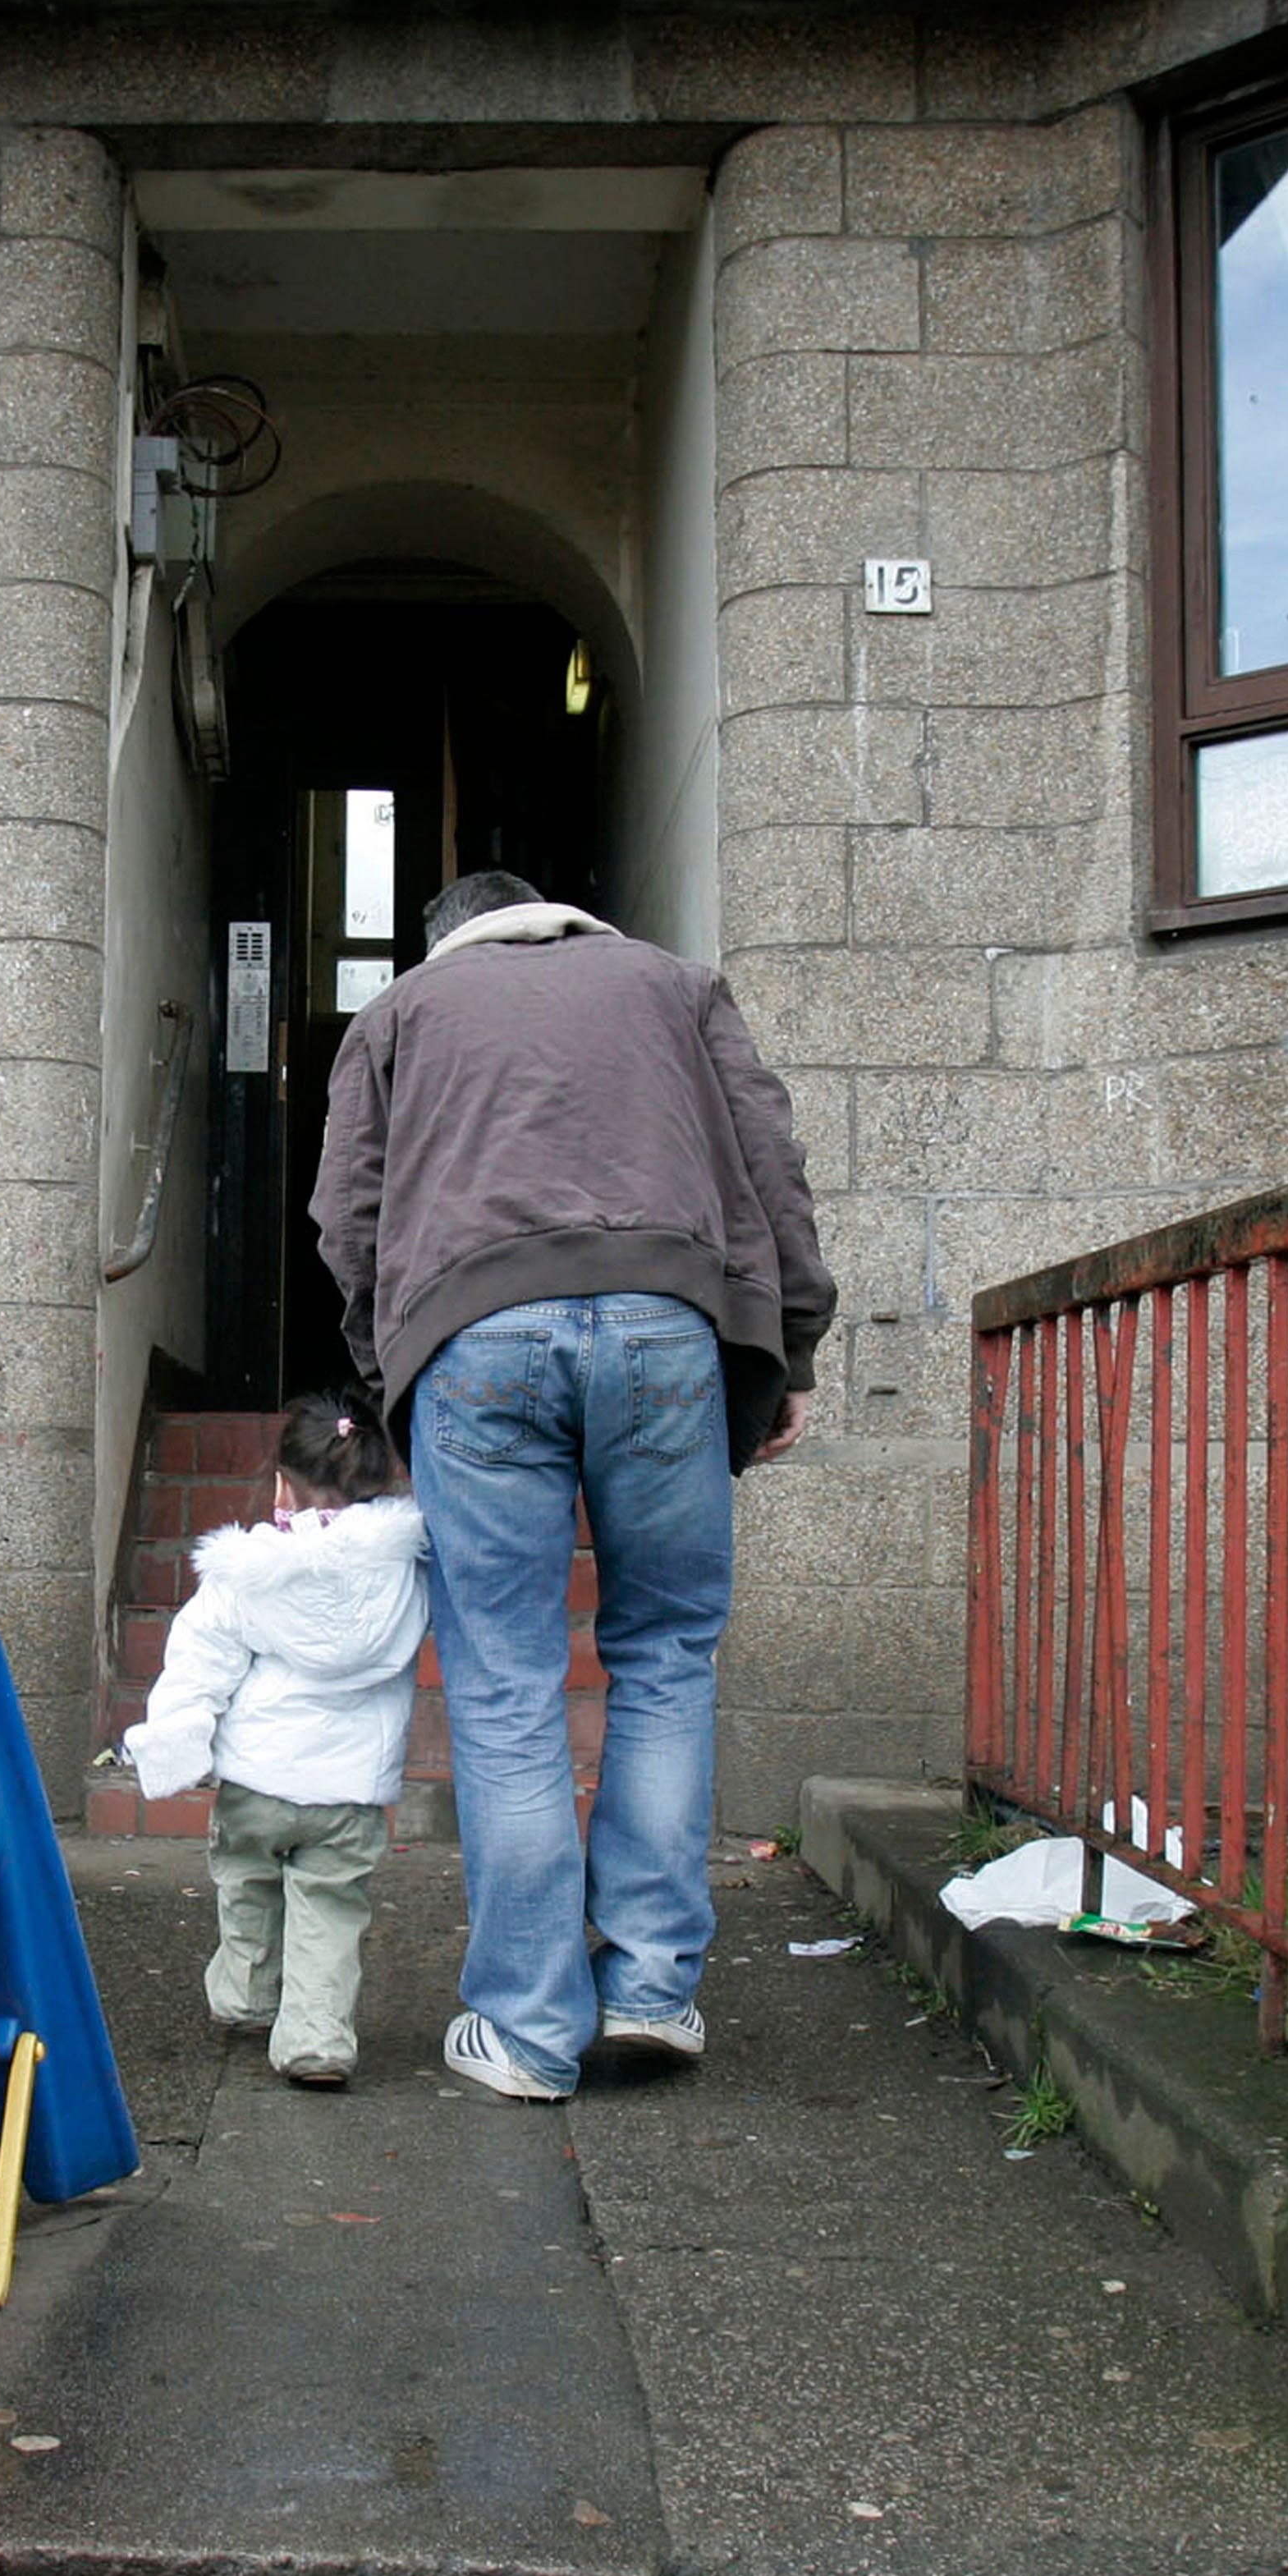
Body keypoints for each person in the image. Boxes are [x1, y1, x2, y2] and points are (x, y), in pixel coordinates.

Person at [311, 868, 832, 2103]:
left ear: (451, 945)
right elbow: (774, 1164)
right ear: (560, 921)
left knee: (502, 1677)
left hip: (471, 1330)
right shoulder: (677, 985)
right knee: (664, 1651)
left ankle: (531, 2029)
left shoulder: (398, 1016)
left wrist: (389, 1363)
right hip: (669, 1320)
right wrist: (791, 1343)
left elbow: (348, 1214)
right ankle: (652, 1986)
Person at [116, 1387, 429, 2091]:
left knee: (248, 1882)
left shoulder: (247, 1574)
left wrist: (174, 1739)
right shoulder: (406, 1572)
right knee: (329, 1904)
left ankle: (248, 1997)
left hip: (256, 1781)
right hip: (349, 1791)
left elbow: (199, 1660)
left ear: (282, 1487)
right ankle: (317, 2039)